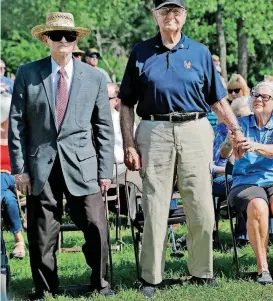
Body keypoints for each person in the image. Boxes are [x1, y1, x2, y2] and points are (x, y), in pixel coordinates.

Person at [118, 0, 244, 297]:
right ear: (155, 16)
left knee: (201, 206)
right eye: (165, 11)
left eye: (176, 11)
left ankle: (202, 271)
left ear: (184, 16)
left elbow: (217, 100)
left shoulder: (199, 52)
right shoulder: (140, 51)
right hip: (153, 129)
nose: (170, 16)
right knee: (155, 206)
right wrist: (128, 143)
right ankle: (151, 278)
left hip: (195, 129)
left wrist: (236, 130)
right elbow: (126, 103)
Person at [8, 12, 115, 298]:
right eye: (56, 35)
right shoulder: (28, 73)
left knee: (96, 225)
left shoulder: (94, 77)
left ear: (76, 40)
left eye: (69, 36)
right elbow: (16, 124)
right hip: (41, 165)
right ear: (46, 39)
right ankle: (45, 290)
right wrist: (20, 169)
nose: (63, 41)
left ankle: (101, 283)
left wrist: (105, 171)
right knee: (42, 234)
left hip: (83, 165)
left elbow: (104, 127)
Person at [221, 81, 273, 285]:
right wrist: (231, 141)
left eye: (265, 97)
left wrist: (253, 146)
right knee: (258, 204)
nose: (258, 99)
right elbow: (222, 154)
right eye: (256, 95)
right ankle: (262, 267)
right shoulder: (240, 124)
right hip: (245, 181)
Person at [0, 89, 26, 259]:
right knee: (7, 199)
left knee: (2, 178)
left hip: (19, 179)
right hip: (6, 188)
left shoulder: (20, 135)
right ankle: (19, 242)